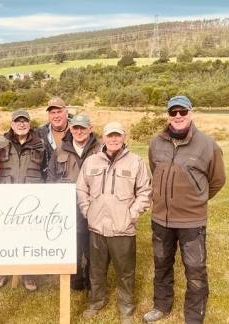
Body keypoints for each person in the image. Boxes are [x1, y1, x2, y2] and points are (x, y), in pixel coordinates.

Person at [143, 96, 226, 324]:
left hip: (192, 222)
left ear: (191, 113)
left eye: (182, 112)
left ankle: (193, 316)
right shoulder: (155, 143)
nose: (178, 116)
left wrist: (197, 199)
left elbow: (217, 180)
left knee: (195, 269)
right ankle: (161, 305)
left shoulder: (208, 145)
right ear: (168, 115)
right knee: (161, 265)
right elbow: (154, 169)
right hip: (161, 219)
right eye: (173, 112)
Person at [77, 122, 151, 324]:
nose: (114, 139)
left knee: (125, 272)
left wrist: (132, 215)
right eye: (110, 136)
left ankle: (126, 307)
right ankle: (96, 302)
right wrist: (87, 210)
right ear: (104, 137)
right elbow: (81, 188)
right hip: (96, 227)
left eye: (117, 136)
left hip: (123, 229)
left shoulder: (135, 162)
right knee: (96, 270)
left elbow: (145, 192)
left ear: (124, 138)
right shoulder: (91, 161)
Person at [0, 109, 46, 291]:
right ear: (12, 123)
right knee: (3, 237)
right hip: (5, 198)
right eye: (18, 121)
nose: (21, 124)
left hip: (31, 199)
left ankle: (28, 274)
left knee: (29, 237)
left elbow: (47, 171)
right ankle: (1, 271)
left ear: (29, 124)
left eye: (25, 121)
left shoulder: (40, 144)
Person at [47, 114, 101, 291]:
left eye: (83, 128)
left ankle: (92, 280)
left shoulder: (100, 149)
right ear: (71, 129)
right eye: (76, 128)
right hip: (67, 209)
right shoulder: (61, 150)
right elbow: (51, 177)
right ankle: (76, 280)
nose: (79, 131)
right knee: (72, 247)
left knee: (93, 248)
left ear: (90, 129)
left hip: (94, 207)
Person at [37, 96, 71, 166]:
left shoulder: (78, 131)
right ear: (48, 115)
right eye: (53, 112)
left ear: (66, 113)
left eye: (59, 112)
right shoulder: (39, 133)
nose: (56, 116)